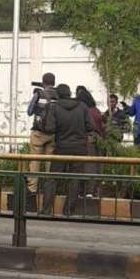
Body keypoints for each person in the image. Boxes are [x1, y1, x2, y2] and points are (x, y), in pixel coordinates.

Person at [41, 84, 95, 215]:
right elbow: (90, 126)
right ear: (70, 93)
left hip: (61, 148)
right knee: (74, 178)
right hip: (80, 149)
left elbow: (49, 129)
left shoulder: (54, 107)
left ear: (57, 94)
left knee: (52, 179)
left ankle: (47, 210)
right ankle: (68, 211)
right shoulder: (82, 106)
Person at [26, 73, 58, 193]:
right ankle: (49, 190)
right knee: (50, 163)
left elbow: (29, 111)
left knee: (35, 161)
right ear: (54, 82)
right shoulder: (58, 95)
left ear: (43, 82)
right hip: (53, 134)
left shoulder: (38, 94)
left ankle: (32, 189)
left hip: (38, 133)